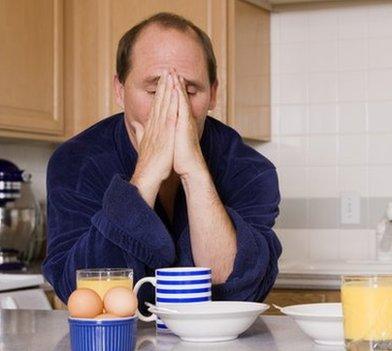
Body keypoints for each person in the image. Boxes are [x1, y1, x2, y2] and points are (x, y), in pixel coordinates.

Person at [42, 12, 281, 306]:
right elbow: (81, 290)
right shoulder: (75, 162)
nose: (173, 106)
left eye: (190, 90)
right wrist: (146, 175)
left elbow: (240, 290)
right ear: (120, 90)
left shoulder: (250, 170)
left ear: (214, 93)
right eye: (155, 90)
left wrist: (194, 172)